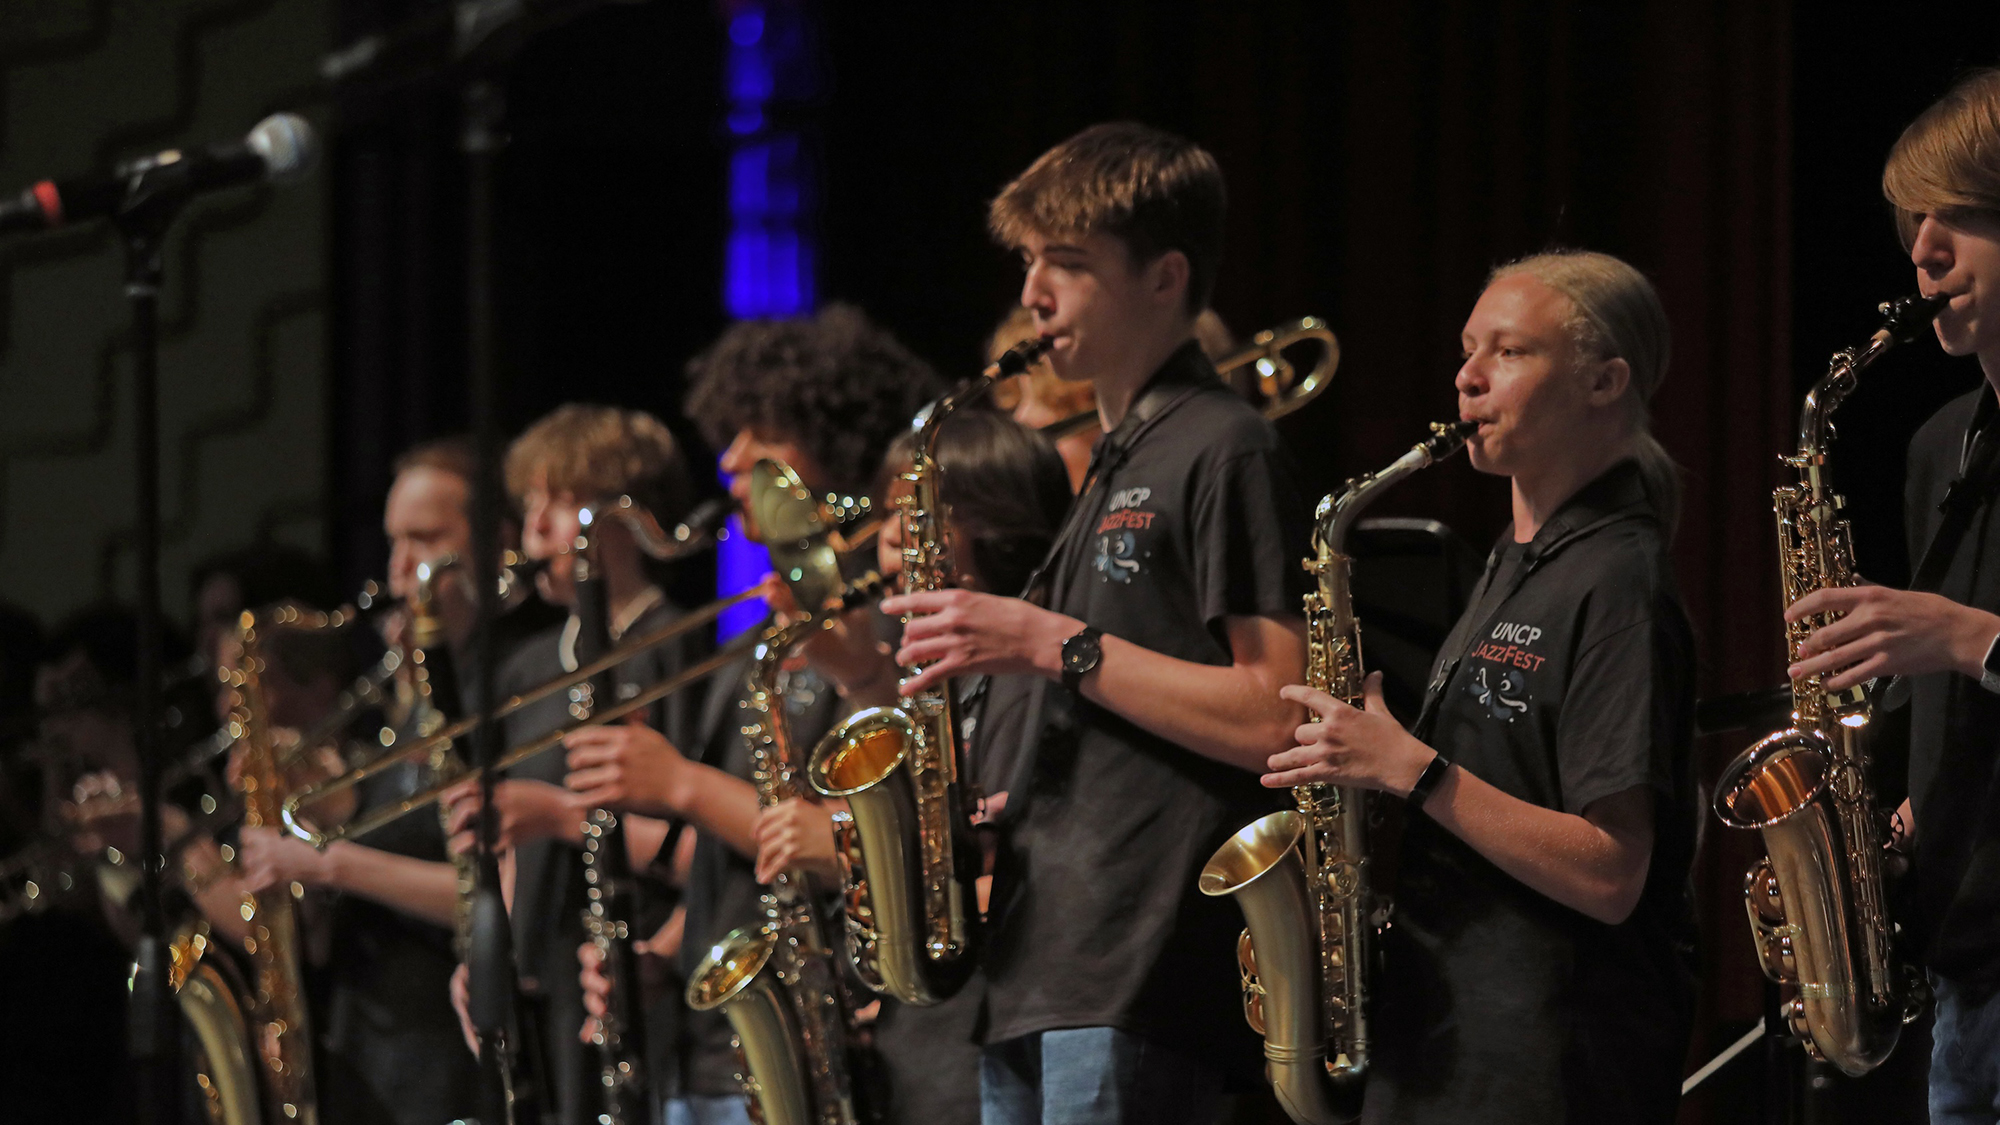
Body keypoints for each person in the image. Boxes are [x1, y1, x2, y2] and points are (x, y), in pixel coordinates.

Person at [883, 121, 1312, 1124]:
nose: (1031, 293)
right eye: (1029, 261)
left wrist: (1044, 642)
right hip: (1038, 953)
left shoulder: (1223, 445)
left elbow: (1275, 714)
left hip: (1136, 960)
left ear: (1165, 278)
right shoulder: (1108, 464)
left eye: (1066, 265)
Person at [1268, 250, 1696, 1123]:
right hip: (1449, 1037)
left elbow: (1613, 870)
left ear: (1603, 382)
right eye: (1468, 349)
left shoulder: (1618, 577)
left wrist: (1412, 770)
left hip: (1548, 1061)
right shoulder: (1514, 559)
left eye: (1508, 352)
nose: (1466, 378)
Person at [566, 304, 942, 1125]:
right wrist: (661, 954)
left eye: (759, 431)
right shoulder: (759, 630)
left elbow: (863, 832)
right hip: (720, 1039)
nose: (730, 459)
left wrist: (680, 783)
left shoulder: (884, 614)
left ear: (829, 436)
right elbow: (738, 860)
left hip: (839, 1029)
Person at [746, 408, 1074, 1125]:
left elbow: (1011, 869)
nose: (888, 539)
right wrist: (861, 675)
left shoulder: (1031, 674)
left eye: (914, 514)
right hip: (920, 1046)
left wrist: (844, 850)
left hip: (988, 1043)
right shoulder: (947, 677)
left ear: (996, 521)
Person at [1786, 68, 2000, 1125]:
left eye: (1957, 216)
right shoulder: (1938, 444)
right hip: (1969, 976)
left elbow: (1969, 647)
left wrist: (1969, 638)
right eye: (1913, 220)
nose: (1921, 250)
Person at [438, 404, 697, 1125]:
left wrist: (556, 817)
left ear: (629, 512)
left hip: (641, 973)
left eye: (564, 500)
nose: (538, 528)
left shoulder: (680, 647)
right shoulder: (526, 666)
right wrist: (486, 953)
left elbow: (702, 840)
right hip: (544, 977)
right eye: (531, 505)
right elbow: (508, 839)